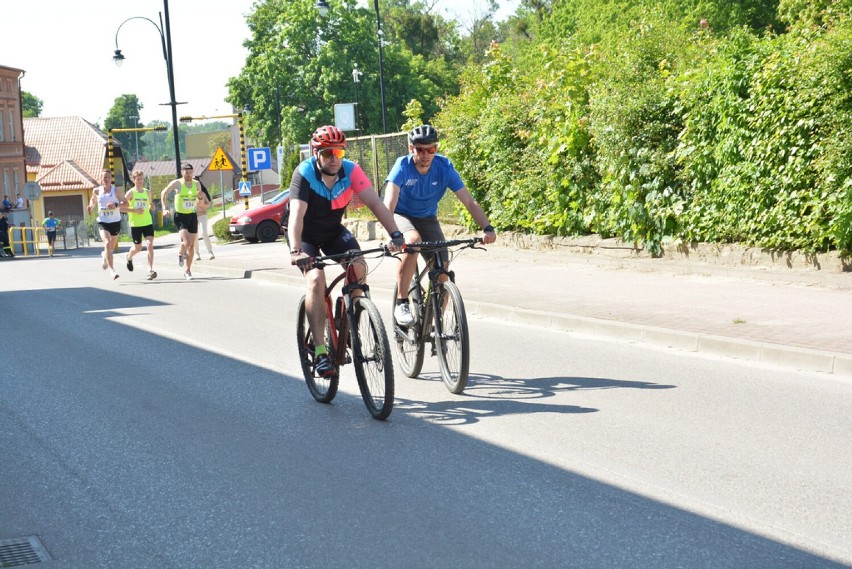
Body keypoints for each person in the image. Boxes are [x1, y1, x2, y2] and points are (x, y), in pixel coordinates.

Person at [288, 125, 405, 377]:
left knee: (359, 266)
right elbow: (296, 215)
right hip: (306, 237)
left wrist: (395, 234)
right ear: (316, 153)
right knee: (316, 280)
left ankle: (348, 314)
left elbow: (375, 203)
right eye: (328, 153)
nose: (333, 159)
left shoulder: (350, 170)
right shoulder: (304, 173)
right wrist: (296, 251)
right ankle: (320, 351)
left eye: (338, 153)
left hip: (332, 231)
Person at [384, 124, 497, 326]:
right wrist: (391, 234)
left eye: (431, 150)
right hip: (401, 215)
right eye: (420, 150)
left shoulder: (444, 167)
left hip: (427, 218)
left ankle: (436, 323)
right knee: (412, 242)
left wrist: (487, 227)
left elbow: (469, 202)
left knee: (442, 271)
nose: (426, 155)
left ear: (436, 148)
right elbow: (389, 204)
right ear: (411, 149)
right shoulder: (402, 166)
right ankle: (402, 302)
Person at [160, 163, 201, 280]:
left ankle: (187, 271)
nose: (188, 175)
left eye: (190, 172)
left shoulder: (197, 184)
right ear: (182, 172)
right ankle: (180, 253)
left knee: (191, 246)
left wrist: (200, 200)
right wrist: (164, 208)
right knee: (187, 243)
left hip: (192, 216)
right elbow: (164, 192)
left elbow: (199, 198)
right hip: (180, 216)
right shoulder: (177, 183)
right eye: (186, 172)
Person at [87, 169, 127, 280]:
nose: (106, 179)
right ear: (101, 179)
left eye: (108, 177)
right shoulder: (96, 191)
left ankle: (104, 256)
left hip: (115, 222)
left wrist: (115, 205)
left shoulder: (116, 191)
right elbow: (93, 200)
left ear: (111, 179)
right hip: (102, 221)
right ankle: (112, 271)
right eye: (104, 177)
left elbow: (126, 203)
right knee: (107, 243)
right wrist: (91, 206)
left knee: (111, 248)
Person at [122, 169, 158, 280]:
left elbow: (151, 205)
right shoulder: (131, 193)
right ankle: (129, 256)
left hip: (147, 222)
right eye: (137, 179)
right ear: (133, 180)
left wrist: (152, 207)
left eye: (141, 179)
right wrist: (134, 210)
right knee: (138, 248)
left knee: (149, 244)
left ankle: (150, 270)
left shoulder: (147, 192)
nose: (140, 181)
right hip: (135, 224)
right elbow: (121, 207)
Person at [192, 176, 214, 261]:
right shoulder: (189, 193)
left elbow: (208, 204)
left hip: (202, 215)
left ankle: (210, 251)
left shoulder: (203, 193)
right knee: (194, 235)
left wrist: (203, 206)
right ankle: (196, 253)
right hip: (192, 216)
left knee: (204, 233)